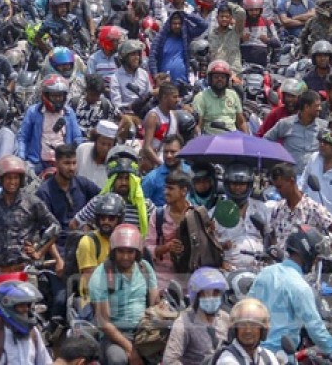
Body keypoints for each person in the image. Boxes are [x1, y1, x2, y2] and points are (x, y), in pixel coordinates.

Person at [249, 226, 332, 359]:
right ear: (308, 253)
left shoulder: (265, 273)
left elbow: (247, 308)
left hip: (254, 353)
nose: (315, 262)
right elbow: (315, 329)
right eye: (316, 258)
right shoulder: (300, 287)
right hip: (280, 357)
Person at [0, 156, 61, 271]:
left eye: (16, 178)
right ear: (1, 179)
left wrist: (38, 250)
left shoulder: (32, 202)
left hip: (26, 270)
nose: (12, 182)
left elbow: (55, 227)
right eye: (8, 178)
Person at [90, 224, 158, 365]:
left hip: (144, 332)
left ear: (137, 252)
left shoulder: (145, 268)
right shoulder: (102, 274)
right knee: (118, 359)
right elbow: (104, 323)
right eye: (121, 251)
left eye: (130, 252)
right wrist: (130, 349)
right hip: (114, 336)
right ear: (113, 251)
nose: (125, 257)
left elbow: (155, 304)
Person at [268, 162, 332, 252]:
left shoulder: (313, 209)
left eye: (280, 187)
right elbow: (272, 236)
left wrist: (322, 256)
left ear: (291, 182)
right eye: (276, 187)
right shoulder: (277, 209)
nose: (277, 191)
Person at [17, 73, 84, 174]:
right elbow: (23, 137)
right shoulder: (33, 112)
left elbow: (77, 138)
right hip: (37, 162)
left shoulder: (69, 113)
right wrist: (21, 158)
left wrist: (72, 154)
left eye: (60, 96)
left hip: (62, 162)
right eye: (54, 96)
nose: (57, 99)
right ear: (46, 95)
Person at [162, 267, 230, 365]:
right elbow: (169, 361)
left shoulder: (225, 318)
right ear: (197, 297)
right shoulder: (183, 323)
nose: (211, 299)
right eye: (205, 295)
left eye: (215, 294)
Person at [0, 281, 52, 365]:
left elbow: (45, 362)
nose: (26, 309)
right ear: (7, 307)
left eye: (28, 305)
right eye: (21, 305)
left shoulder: (33, 333)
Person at [215, 163, 271, 270]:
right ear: (227, 184)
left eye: (242, 184)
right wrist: (220, 261)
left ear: (249, 185)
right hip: (229, 270)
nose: (237, 188)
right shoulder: (216, 213)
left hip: (261, 269)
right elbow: (210, 248)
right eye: (234, 184)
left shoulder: (261, 208)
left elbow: (271, 238)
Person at [264, 90, 325, 174]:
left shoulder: (323, 127)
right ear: (307, 107)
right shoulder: (286, 123)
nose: (320, 109)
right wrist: (278, 159)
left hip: (314, 178)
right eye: (317, 106)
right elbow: (266, 140)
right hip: (290, 178)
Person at [192, 60, 247, 135]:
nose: (219, 79)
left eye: (223, 77)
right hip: (210, 138)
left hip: (232, 138)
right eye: (216, 77)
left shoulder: (233, 95)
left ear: (227, 79)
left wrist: (247, 139)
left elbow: (241, 123)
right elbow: (198, 126)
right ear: (210, 79)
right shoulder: (201, 97)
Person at [141, 134, 183, 207]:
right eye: (166, 152)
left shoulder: (190, 172)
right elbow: (141, 204)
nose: (168, 155)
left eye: (173, 152)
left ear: (182, 151)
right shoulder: (152, 178)